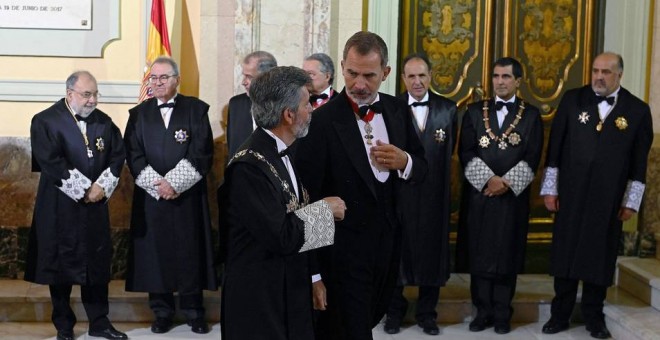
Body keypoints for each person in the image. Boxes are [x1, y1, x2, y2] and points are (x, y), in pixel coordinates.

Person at [294, 31, 427, 340]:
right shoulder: (322, 121)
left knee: (367, 319)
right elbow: (307, 198)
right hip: (341, 254)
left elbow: (422, 168)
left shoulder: (396, 110)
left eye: (369, 75)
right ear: (342, 67)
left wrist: (404, 160)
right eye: (352, 73)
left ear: (386, 73)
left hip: (388, 247)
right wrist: (313, 274)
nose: (359, 84)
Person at [219, 66, 345, 340]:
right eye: (306, 103)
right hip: (259, 297)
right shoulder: (249, 168)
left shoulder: (284, 153)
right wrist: (326, 210)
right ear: (289, 115)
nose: (311, 109)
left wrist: (313, 277)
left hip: (289, 284)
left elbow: (297, 214)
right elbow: (282, 235)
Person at [540, 52, 653, 339]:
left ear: (619, 75)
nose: (599, 77)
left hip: (609, 199)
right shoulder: (572, 99)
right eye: (595, 70)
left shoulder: (638, 110)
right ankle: (559, 315)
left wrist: (631, 201)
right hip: (570, 194)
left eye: (606, 72)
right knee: (565, 254)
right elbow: (555, 148)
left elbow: (639, 163)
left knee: (599, 257)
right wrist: (550, 188)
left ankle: (594, 317)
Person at [25, 71, 127, 340]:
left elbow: (117, 156)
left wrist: (101, 187)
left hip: (94, 209)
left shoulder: (104, 122)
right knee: (61, 267)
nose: (93, 100)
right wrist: (85, 189)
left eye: (95, 94)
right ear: (70, 94)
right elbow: (50, 161)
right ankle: (64, 325)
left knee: (96, 265)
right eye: (87, 94)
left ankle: (100, 322)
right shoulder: (46, 121)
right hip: (60, 208)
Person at [124, 56, 217, 335]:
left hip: (186, 197)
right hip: (152, 199)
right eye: (154, 78)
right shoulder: (138, 115)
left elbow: (202, 150)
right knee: (155, 255)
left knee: (189, 252)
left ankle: (194, 312)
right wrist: (157, 185)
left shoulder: (196, 110)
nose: (158, 82)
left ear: (177, 79)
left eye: (164, 77)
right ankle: (161, 312)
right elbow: (133, 154)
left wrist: (174, 184)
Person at [458, 57, 544, 334]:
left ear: (518, 81)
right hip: (480, 196)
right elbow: (466, 151)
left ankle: (503, 313)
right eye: (496, 76)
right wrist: (488, 180)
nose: (500, 81)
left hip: (512, 200)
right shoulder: (473, 111)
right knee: (480, 255)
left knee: (507, 255)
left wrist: (505, 183)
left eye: (506, 76)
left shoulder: (531, 116)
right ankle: (481, 312)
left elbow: (533, 156)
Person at [384, 53, 458, 336]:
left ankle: (428, 314)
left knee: (432, 253)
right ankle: (393, 313)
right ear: (403, 78)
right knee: (397, 254)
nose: (417, 81)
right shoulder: (390, 108)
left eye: (422, 75)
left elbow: (451, 153)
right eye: (411, 76)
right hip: (400, 195)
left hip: (434, 196)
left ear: (431, 76)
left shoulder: (448, 110)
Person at [226, 50, 278, 159]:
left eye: (249, 77)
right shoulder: (236, 105)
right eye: (244, 76)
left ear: (268, 77)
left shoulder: (287, 105)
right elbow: (232, 150)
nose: (243, 82)